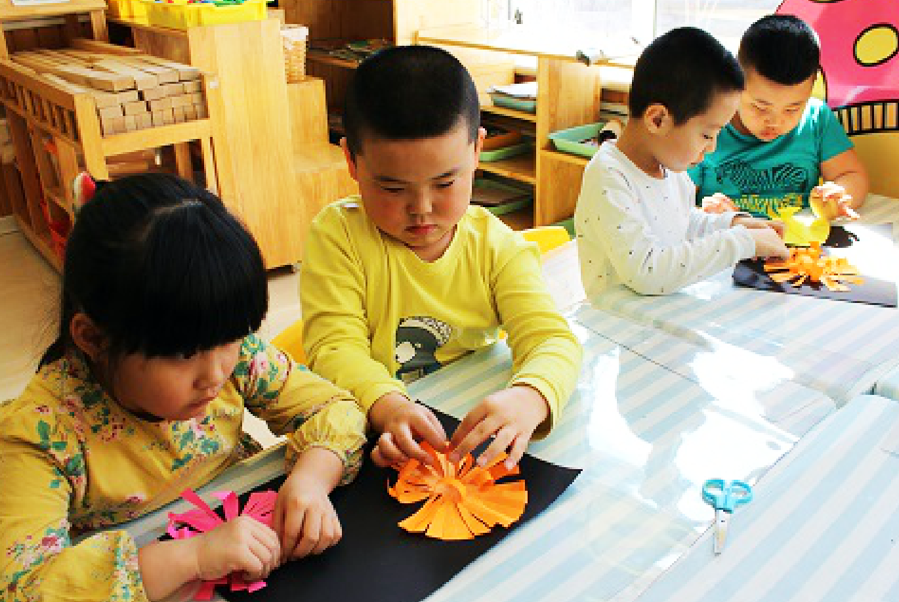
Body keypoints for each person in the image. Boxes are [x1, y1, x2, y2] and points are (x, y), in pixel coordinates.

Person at [0, 174, 367, 601]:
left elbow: (334, 408)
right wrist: (192, 557)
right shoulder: (39, 436)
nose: (215, 374)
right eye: (183, 353)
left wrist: (311, 479)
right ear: (93, 338)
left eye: (231, 337)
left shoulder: (236, 356)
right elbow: (25, 587)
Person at [300, 45, 581, 474]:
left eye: (445, 183)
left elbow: (552, 340)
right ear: (352, 162)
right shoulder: (338, 236)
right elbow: (334, 349)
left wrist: (530, 396)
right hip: (374, 426)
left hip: (464, 425)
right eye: (393, 188)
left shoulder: (496, 247)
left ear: (477, 150)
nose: (422, 209)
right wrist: (389, 406)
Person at [575, 27, 789, 298]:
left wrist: (733, 224)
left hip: (662, 311)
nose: (712, 147)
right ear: (657, 120)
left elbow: (682, 223)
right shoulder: (608, 176)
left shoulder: (670, 167)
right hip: (616, 318)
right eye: (707, 135)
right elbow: (648, 272)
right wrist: (739, 242)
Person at [690, 14, 869, 220]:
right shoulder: (705, 127)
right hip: (732, 235)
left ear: (813, 84)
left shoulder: (817, 119)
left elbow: (851, 176)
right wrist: (706, 215)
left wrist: (840, 195)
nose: (775, 122)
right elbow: (672, 204)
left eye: (792, 109)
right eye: (760, 108)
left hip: (800, 237)